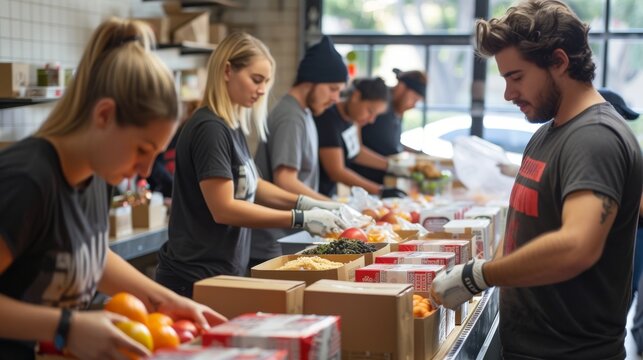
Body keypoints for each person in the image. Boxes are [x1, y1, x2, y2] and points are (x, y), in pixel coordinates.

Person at [0, 18, 226, 360]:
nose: (146, 170)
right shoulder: (27, 180)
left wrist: (166, 300)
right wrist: (65, 327)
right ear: (104, 115)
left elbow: (84, 254)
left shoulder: (96, 175)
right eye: (141, 149)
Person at [430, 2, 642, 359]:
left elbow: (577, 245)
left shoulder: (595, 138)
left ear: (559, 62)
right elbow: (522, 226)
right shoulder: (547, 133)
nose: (508, 94)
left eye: (516, 77)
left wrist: (479, 275)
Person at [156, 33, 347, 298]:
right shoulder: (209, 128)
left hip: (224, 272)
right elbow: (224, 209)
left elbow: (255, 186)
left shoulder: (231, 125)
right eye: (256, 80)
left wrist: (312, 204)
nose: (261, 90)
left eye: (266, 83)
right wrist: (299, 218)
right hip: (194, 276)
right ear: (227, 71)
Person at [250, 35, 348, 268]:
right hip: (273, 243)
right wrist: (333, 207)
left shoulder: (304, 114)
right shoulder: (290, 117)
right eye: (333, 89)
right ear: (312, 80)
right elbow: (285, 181)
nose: (336, 98)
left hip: (288, 237)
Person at [315, 77, 409, 196]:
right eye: (370, 111)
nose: (371, 120)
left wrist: (390, 165)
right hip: (316, 194)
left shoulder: (353, 120)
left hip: (330, 192)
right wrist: (379, 190)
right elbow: (336, 171)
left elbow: (357, 151)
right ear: (356, 96)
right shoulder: (329, 119)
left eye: (375, 115)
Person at [351, 68, 427, 184]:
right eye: (414, 99)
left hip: (384, 183)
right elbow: (355, 149)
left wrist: (420, 155)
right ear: (401, 87)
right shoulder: (377, 104)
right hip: (361, 183)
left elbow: (392, 144)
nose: (413, 106)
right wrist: (391, 166)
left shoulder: (398, 112)